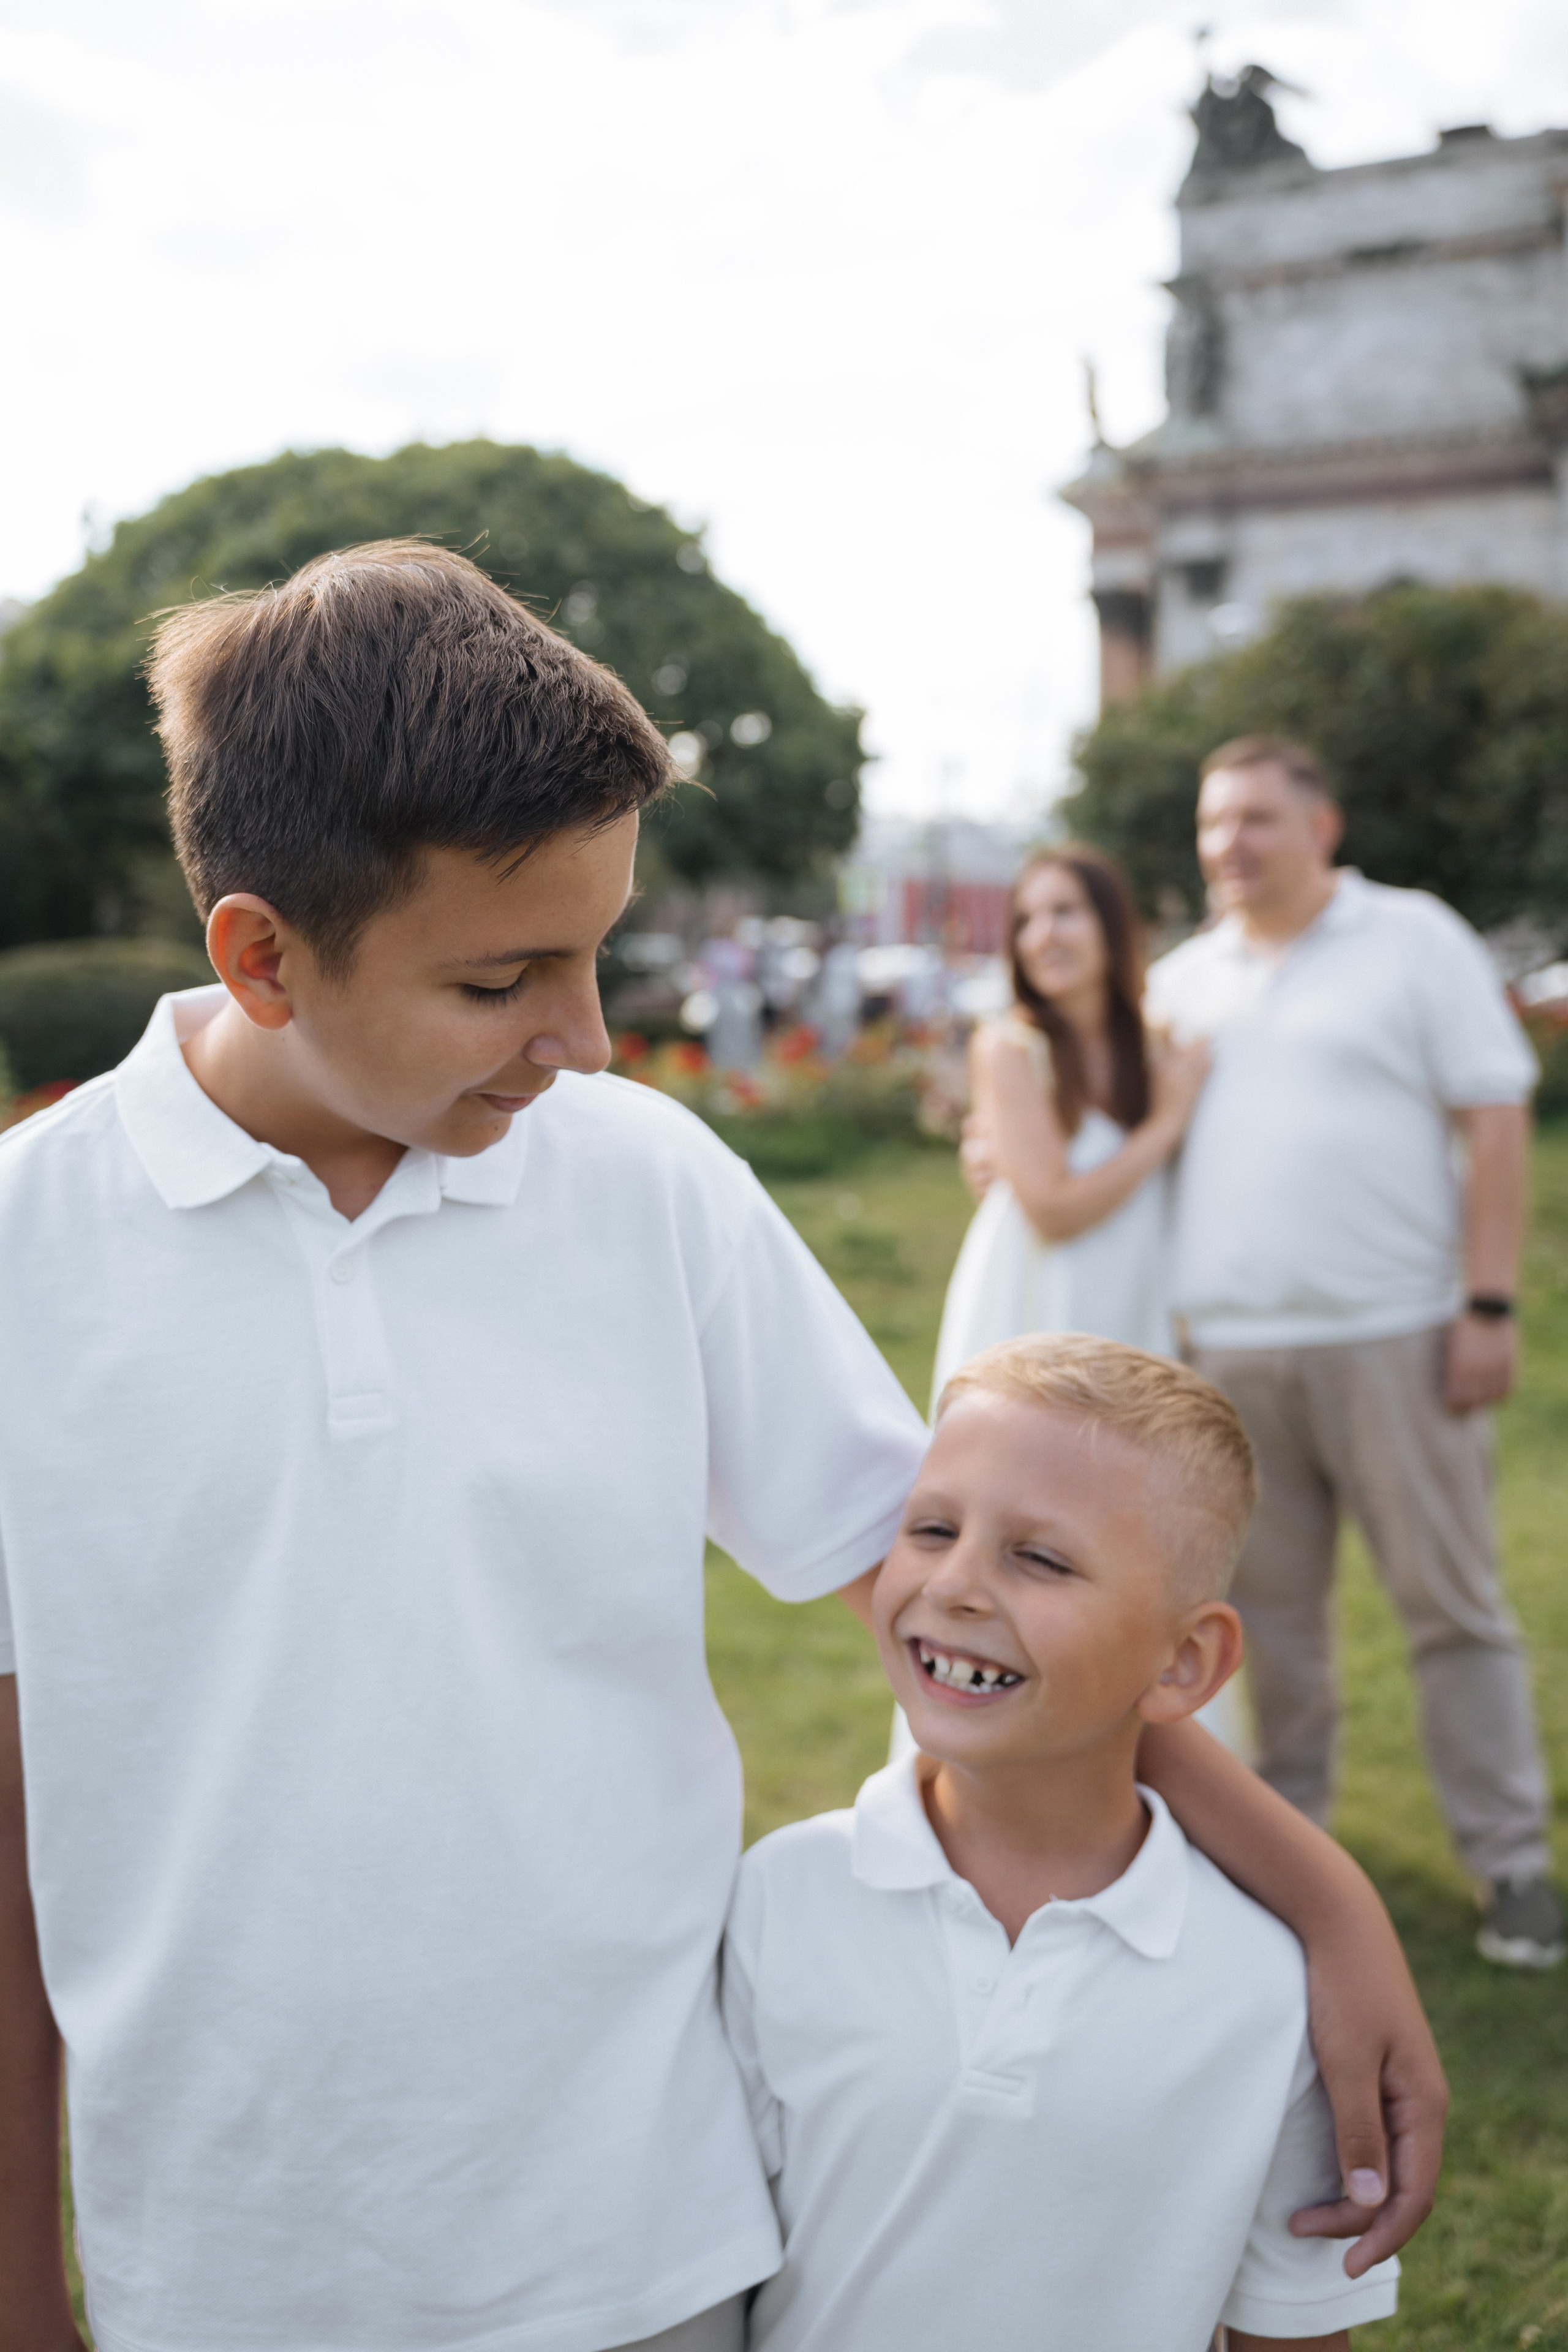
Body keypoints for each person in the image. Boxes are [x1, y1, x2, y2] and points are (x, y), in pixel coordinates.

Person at [0, 552, 1442, 2352]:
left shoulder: (646, 1182)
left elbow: (945, 1598)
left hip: (641, 2226)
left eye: (600, 954)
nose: (587, 1038)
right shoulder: (27, 1251)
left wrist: (1317, 1894)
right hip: (218, 2258)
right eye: (504, 978)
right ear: (260, 955)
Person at [723, 1335, 1401, 2351]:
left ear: (1184, 1663)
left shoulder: (1268, 1992)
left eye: (1038, 1557)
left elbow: (1295, 2335)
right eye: (932, 1527)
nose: (955, 1584)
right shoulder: (779, 1897)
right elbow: (702, 2267)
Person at [1145, 734, 1561, 1971]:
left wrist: (1484, 1306)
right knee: (1265, 1626)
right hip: (1224, 1352)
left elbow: (1494, 1120)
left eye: (1258, 820)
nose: (1231, 844)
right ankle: (1287, 1858)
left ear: (1320, 828)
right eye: (1215, 823)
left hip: (1396, 1337)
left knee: (1451, 1609)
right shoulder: (1181, 980)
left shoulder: (1411, 939)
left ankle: (1510, 1864)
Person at [933, 846, 1207, 1399]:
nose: (1043, 936)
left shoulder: (1159, 1047)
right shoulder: (1011, 1049)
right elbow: (1053, 1211)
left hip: (1135, 1304)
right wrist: (1164, 1127)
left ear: (1111, 923)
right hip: (1037, 1313)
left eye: (1066, 912)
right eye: (1026, 920)